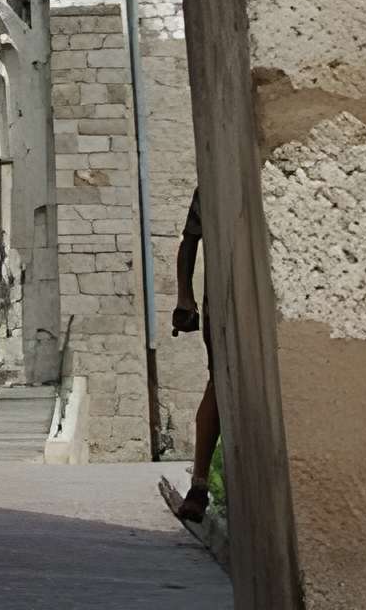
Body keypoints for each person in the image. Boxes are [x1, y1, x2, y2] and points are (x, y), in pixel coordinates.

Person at [172, 188, 220, 524]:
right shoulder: (207, 190)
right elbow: (189, 244)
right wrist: (185, 298)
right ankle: (199, 484)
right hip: (221, 298)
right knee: (218, 384)